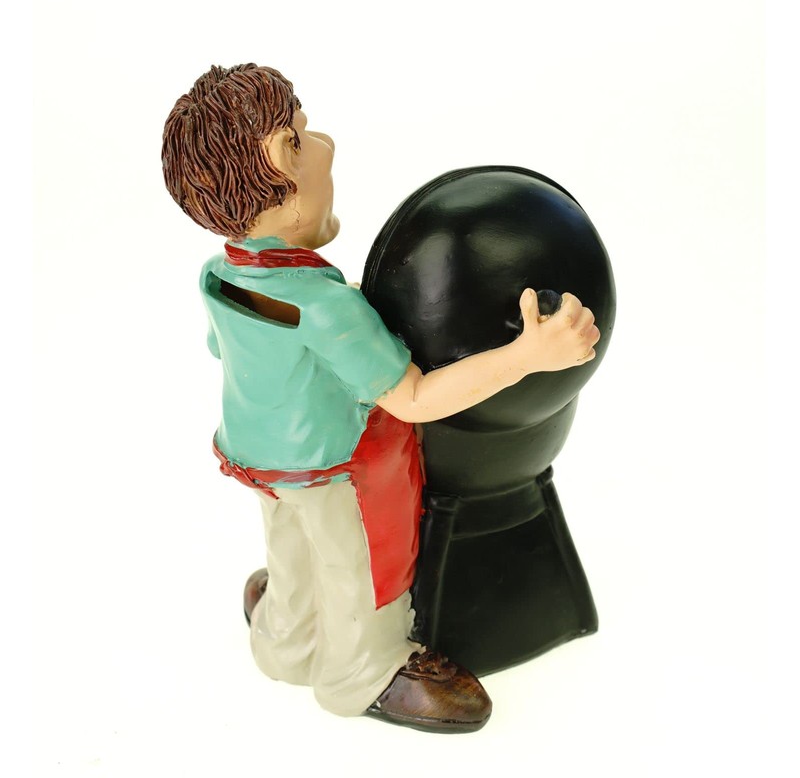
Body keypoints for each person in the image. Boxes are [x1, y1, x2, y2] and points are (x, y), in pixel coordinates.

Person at [161, 63, 600, 733]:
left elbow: (226, 352)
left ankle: (286, 639)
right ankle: (360, 669)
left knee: (292, 544)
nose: (326, 146)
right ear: (282, 163)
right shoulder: (324, 307)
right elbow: (415, 398)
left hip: (257, 454)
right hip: (334, 464)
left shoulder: (219, 278)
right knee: (358, 566)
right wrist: (526, 357)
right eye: (304, 136)